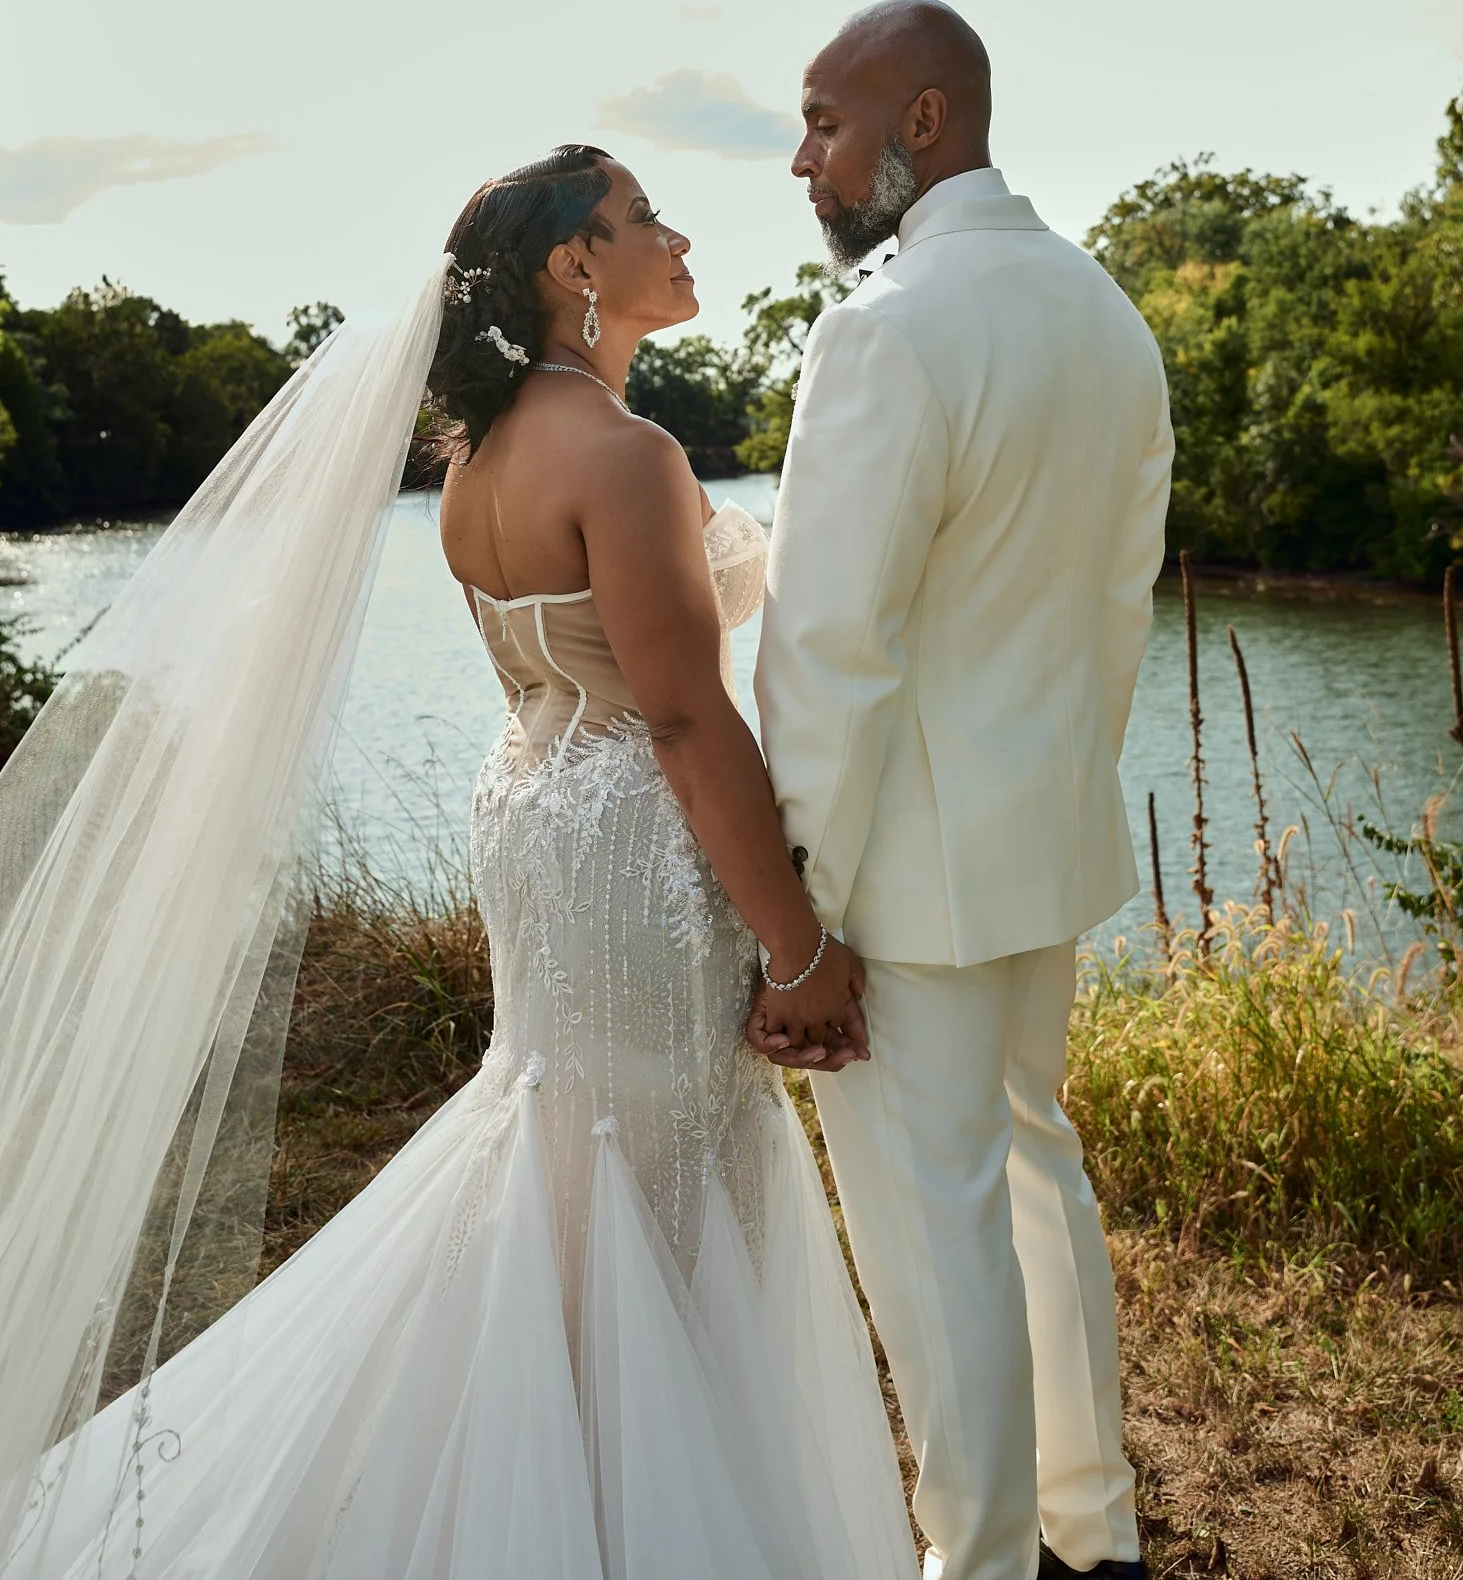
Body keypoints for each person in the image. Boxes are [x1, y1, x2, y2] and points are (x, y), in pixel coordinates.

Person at [0, 147, 917, 1579]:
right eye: (640, 222)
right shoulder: (625, 456)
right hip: (629, 840)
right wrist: (797, 951)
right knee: (667, 1171)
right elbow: (681, 715)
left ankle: (570, 1479)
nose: (677, 240)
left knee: (566, 1145)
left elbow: (550, 684)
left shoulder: (483, 460)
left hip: (533, 816)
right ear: (574, 269)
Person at [750, 1, 1174, 1580]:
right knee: (1032, 1172)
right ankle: (1094, 1530)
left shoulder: (886, 323)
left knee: (939, 1242)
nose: (804, 160)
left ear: (920, 123)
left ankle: (980, 1563)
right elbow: (1116, 609)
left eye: (823, 123)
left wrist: (791, 916)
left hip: (902, 881)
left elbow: (829, 653)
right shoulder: (1102, 311)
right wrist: (1054, 778)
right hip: (1041, 840)